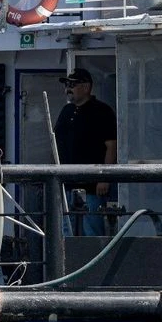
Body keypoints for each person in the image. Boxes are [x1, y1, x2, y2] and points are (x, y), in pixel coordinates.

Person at [53, 67, 117, 236]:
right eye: (67, 84)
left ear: (86, 87)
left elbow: (111, 146)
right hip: (66, 182)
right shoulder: (66, 111)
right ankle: (67, 263)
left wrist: (105, 177)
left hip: (92, 185)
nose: (68, 88)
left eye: (73, 84)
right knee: (65, 231)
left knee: (92, 230)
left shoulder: (102, 111)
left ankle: (95, 262)